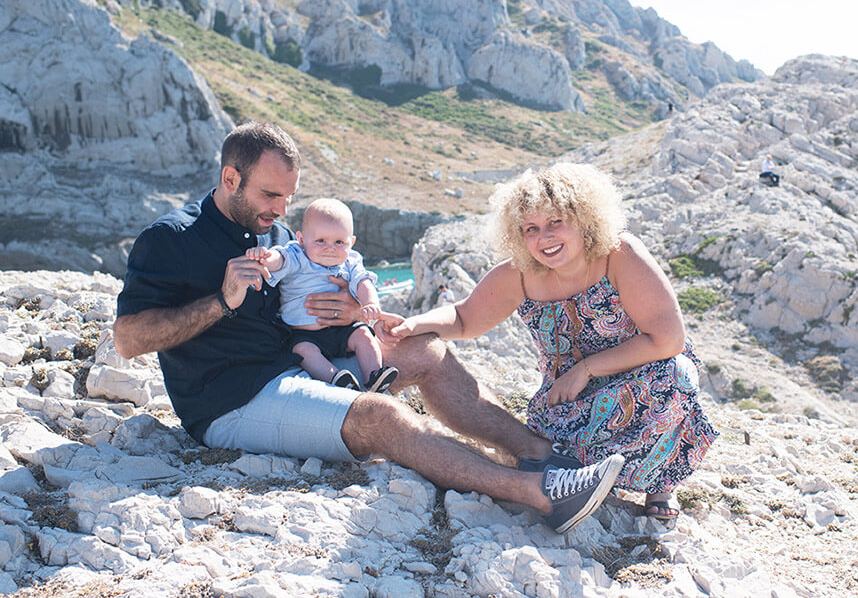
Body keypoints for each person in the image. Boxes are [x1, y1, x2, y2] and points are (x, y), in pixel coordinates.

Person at [113, 121, 624, 534]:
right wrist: (220, 302)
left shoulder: (281, 235)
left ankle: (543, 456)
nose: (281, 211)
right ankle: (539, 496)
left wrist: (353, 313)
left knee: (426, 350)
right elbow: (128, 340)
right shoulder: (171, 239)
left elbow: (318, 298)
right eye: (271, 195)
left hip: (296, 365)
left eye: (289, 198)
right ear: (230, 179)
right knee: (379, 415)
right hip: (230, 401)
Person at [383, 163, 718, 521]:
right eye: (531, 229)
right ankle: (583, 477)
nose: (544, 238)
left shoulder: (620, 256)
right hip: (568, 398)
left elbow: (667, 339)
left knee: (677, 375)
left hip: (646, 378)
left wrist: (585, 370)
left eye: (556, 222)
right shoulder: (519, 275)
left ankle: (660, 483)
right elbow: (465, 318)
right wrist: (413, 324)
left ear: (584, 219)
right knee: (547, 446)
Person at [245, 198, 397, 393]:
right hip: (304, 334)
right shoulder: (298, 255)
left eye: (339, 242)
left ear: (351, 242)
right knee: (304, 352)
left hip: (344, 329)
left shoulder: (351, 261)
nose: (330, 248)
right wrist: (265, 258)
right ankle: (335, 377)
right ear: (301, 240)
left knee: (365, 336)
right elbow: (280, 259)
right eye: (320, 241)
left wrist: (370, 303)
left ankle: (374, 376)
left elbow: (363, 281)